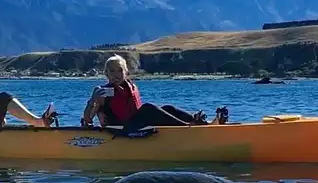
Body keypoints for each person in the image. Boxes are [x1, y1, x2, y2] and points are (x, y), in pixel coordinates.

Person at [80, 55, 227, 131]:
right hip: (121, 129)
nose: (116, 75)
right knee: (148, 108)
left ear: (125, 72)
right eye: (112, 71)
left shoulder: (129, 86)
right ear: (106, 73)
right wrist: (92, 101)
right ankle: (189, 128)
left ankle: (203, 124)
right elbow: (88, 120)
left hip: (137, 124)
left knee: (167, 108)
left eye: (119, 70)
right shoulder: (102, 92)